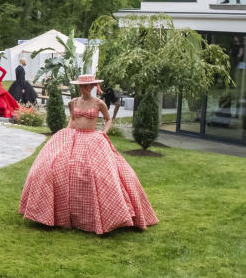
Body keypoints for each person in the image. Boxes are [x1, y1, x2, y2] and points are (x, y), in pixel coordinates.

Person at [18, 74, 159, 235]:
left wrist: (103, 133)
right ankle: (52, 212)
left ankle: (108, 214)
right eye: (82, 86)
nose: (84, 88)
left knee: (98, 174)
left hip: (93, 138)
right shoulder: (73, 102)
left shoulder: (99, 103)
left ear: (92, 86)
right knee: (51, 167)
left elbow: (107, 119)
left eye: (87, 86)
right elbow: (72, 119)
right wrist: (66, 133)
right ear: (79, 87)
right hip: (74, 136)